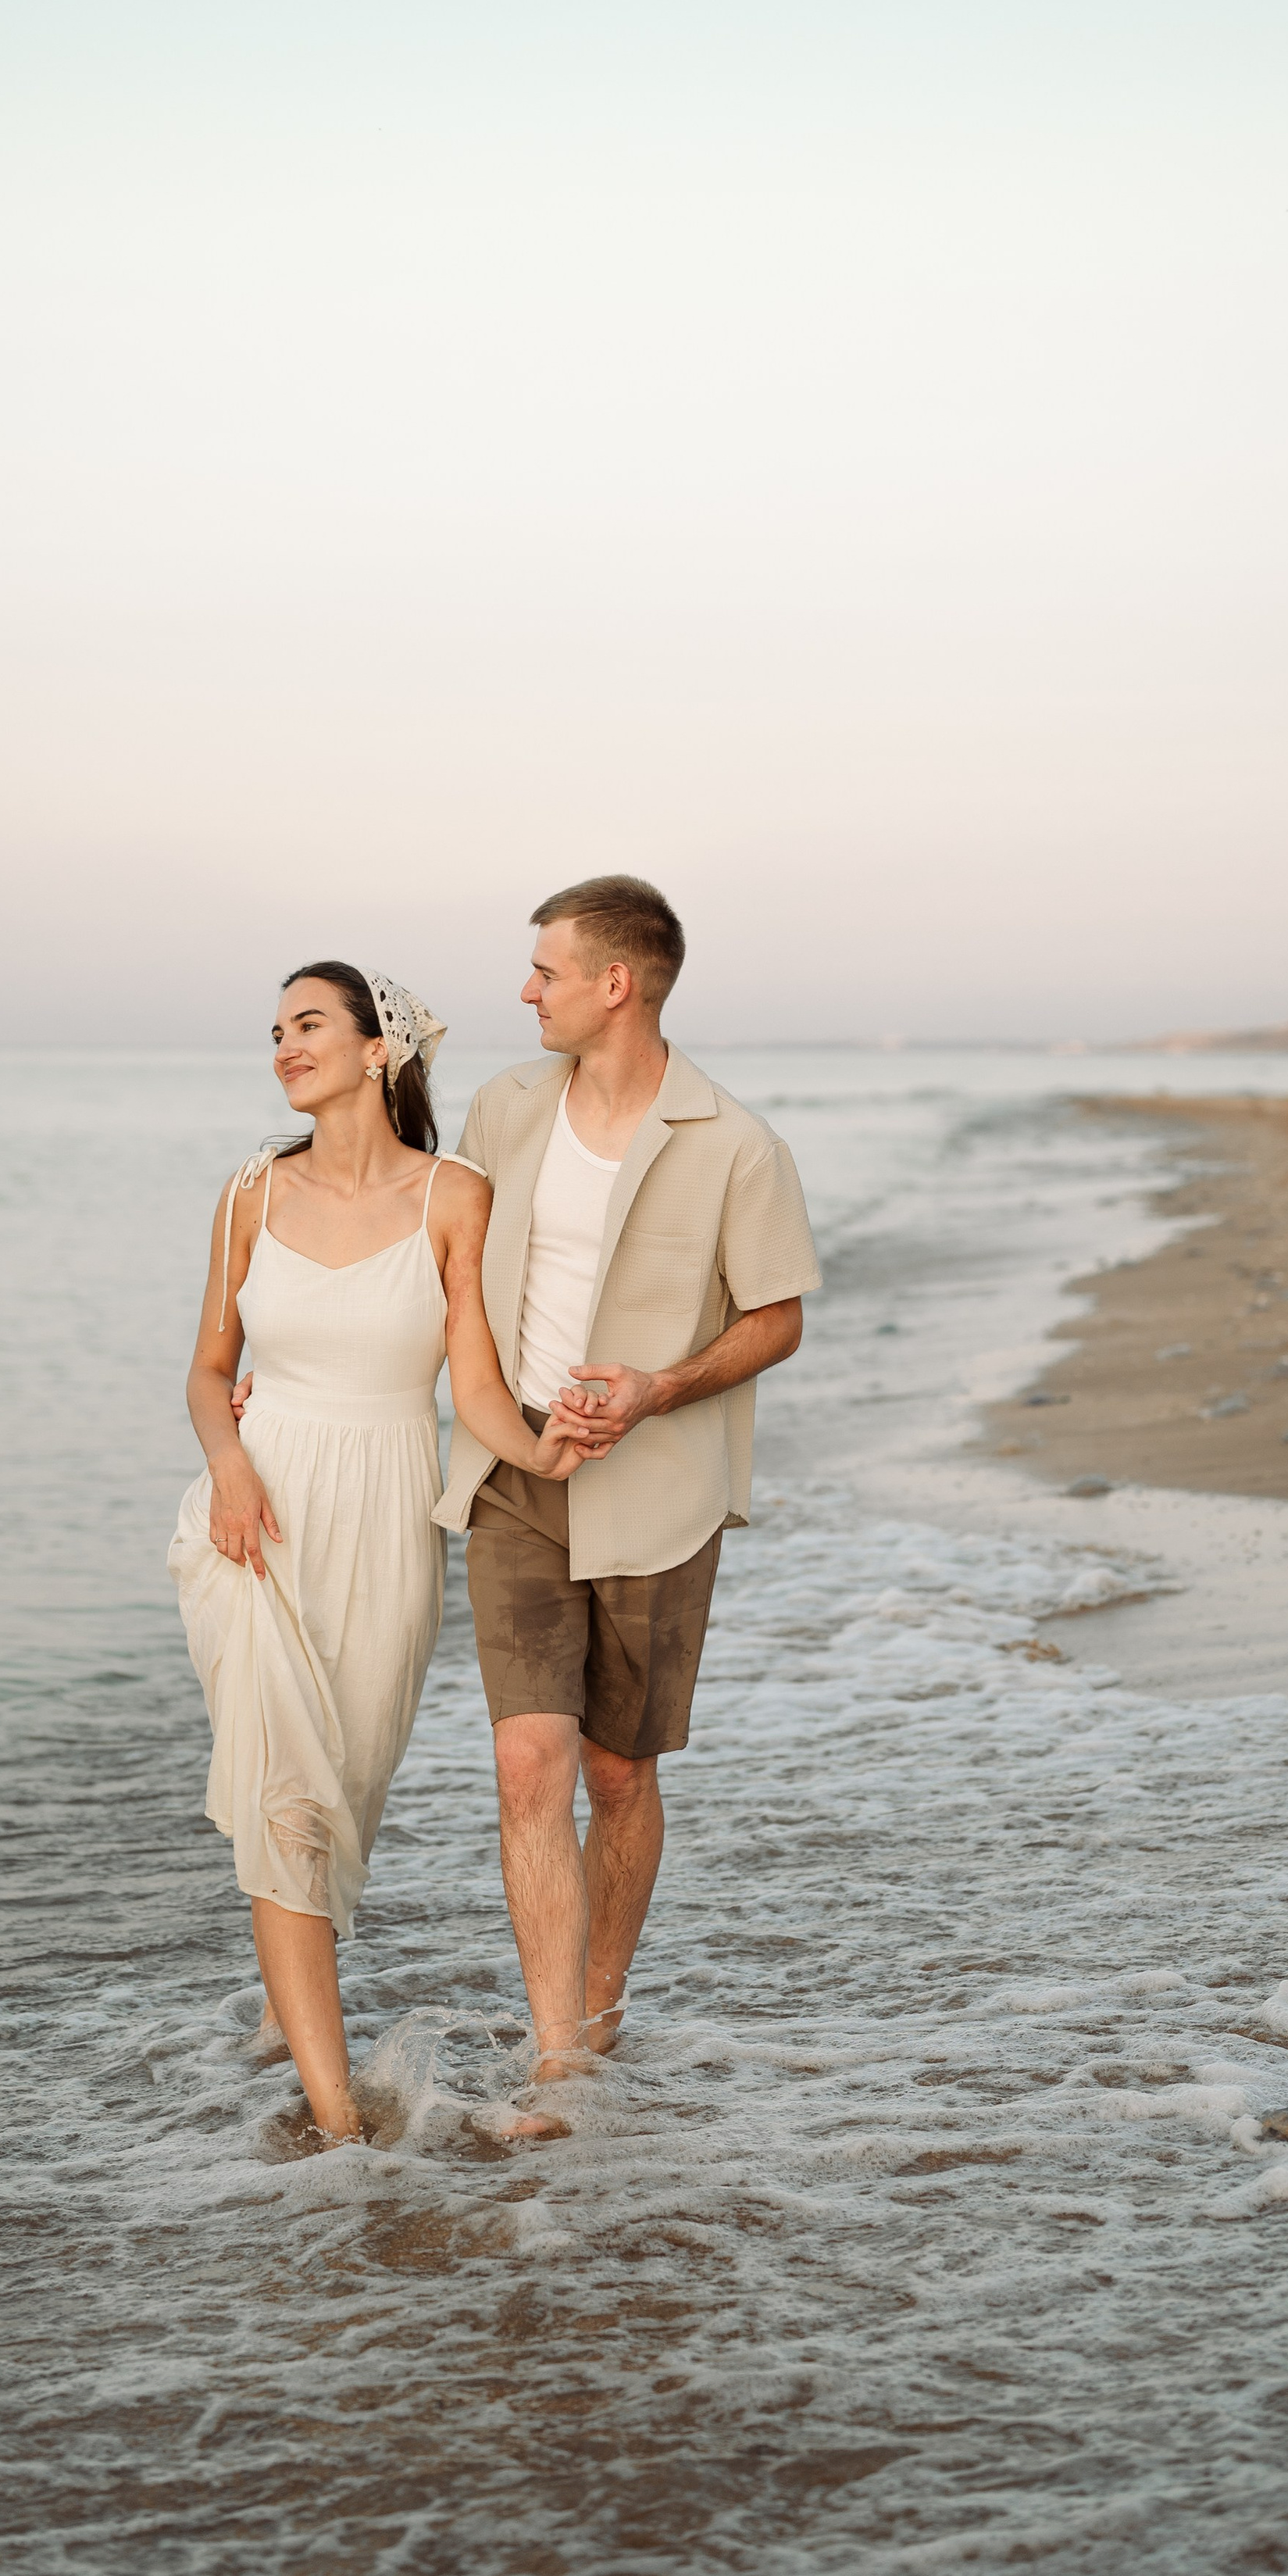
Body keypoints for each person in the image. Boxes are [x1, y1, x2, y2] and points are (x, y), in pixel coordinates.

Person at [169, 962, 602, 2146]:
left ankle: (279, 2006)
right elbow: (210, 1373)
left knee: (342, 1795)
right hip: (256, 1516)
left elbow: (475, 1389)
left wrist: (548, 1453)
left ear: (379, 1051)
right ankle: (338, 2122)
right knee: (286, 1803)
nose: (282, 1047)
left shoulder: (453, 1197)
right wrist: (232, 1466)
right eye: (273, 1032)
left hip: (388, 1519)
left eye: (308, 1024)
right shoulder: (251, 1192)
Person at [433, 876, 821, 2117]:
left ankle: (600, 2016)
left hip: (658, 1488)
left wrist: (658, 1388)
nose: (525, 990)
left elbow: (779, 1318)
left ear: (618, 983)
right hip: (516, 1472)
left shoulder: (737, 1143)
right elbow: (441, 1273)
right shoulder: (500, 1109)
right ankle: (557, 2058)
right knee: (527, 1766)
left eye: (545, 969)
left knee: (617, 1775)